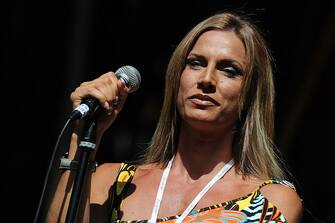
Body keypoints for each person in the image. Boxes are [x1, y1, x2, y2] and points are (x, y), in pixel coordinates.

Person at [47, 11, 303, 223]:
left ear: (250, 94)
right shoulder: (110, 182)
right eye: (196, 63)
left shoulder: (271, 199)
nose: (206, 79)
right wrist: (82, 136)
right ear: (176, 78)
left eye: (229, 70)